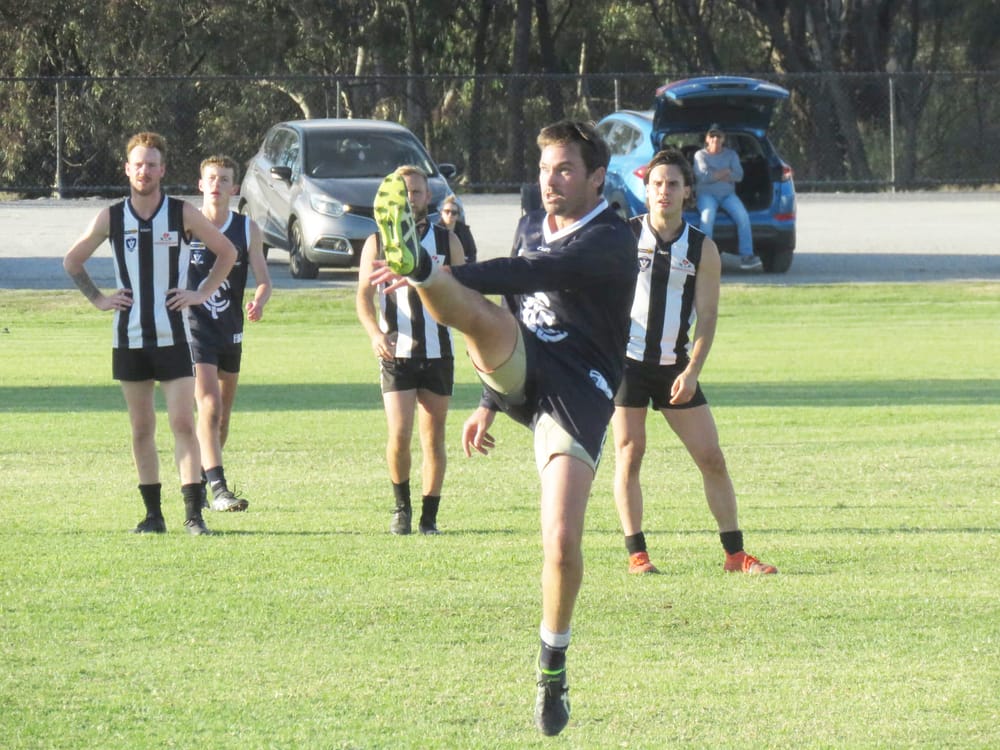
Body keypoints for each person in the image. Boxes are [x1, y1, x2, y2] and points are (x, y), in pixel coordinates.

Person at [369, 120, 637, 736]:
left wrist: (450, 275)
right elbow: (514, 306)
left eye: (564, 169)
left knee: (561, 542)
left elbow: (526, 275)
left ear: (597, 178)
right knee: (483, 321)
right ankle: (420, 265)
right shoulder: (531, 222)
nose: (550, 180)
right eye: (544, 169)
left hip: (579, 390)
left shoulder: (612, 239)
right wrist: (490, 399)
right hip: (521, 360)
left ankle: (552, 669)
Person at [611, 148, 777, 576]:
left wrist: (692, 371)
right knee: (629, 454)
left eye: (673, 184)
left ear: (687, 191)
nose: (664, 191)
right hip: (627, 363)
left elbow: (708, 316)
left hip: (675, 367)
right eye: (657, 184)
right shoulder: (623, 237)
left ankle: (735, 555)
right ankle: (637, 554)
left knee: (711, 457)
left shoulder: (703, 248)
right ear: (646, 190)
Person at [63, 132, 237, 535]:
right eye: (138, 164)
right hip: (130, 339)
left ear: (163, 170)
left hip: (174, 336)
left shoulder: (181, 213)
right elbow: (73, 261)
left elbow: (227, 252)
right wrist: (98, 298)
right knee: (142, 428)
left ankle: (193, 515)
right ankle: (153, 516)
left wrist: (200, 293)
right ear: (127, 169)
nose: (145, 171)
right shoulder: (111, 217)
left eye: (152, 164)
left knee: (182, 423)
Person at [357, 165, 465, 535]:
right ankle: (401, 509)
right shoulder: (377, 242)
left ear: (428, 197)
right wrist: (374, 333)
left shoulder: (447, 241)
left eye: (416, 192)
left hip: (438, 352)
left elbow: (466, 291)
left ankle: (429, 518)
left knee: (433, 439)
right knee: (400, 434)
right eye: (403, 193)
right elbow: (363, 297)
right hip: (396, 353)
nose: (410, 199)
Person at [186, 155, 272, 512]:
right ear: (200, 185)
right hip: (194, 327)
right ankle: (219, 489)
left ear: (234, 188)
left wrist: (259, 301)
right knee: (208, 404)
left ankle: (201, 482)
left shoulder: (247, 229)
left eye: (224, 179)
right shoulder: (187, 226)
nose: (217, 185)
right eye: (211, 178)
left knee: (221, 417)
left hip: (230, 329)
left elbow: (264, 280)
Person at [693, 124, 762, 271]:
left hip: (728, 195)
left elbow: (739, 176)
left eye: (718, 136)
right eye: (712, 136)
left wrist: (715, 175)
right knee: (707, 217)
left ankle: (747, 257)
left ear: (723, 139)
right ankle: (705, 258)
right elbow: (703, 177)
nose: (715, 139)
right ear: (707, 139)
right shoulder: (700, 155)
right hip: (706, 195)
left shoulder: (731, 155)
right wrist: (726, 172)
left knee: (743, 216)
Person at [436, 193, 478, 263]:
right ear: (441, 213)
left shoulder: (464, 230)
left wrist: (465, 264)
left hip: (462, 266)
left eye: (454, 212)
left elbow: (472, 252)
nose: (450, 215)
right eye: (447, 211)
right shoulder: (435, 230)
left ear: (458, 215)